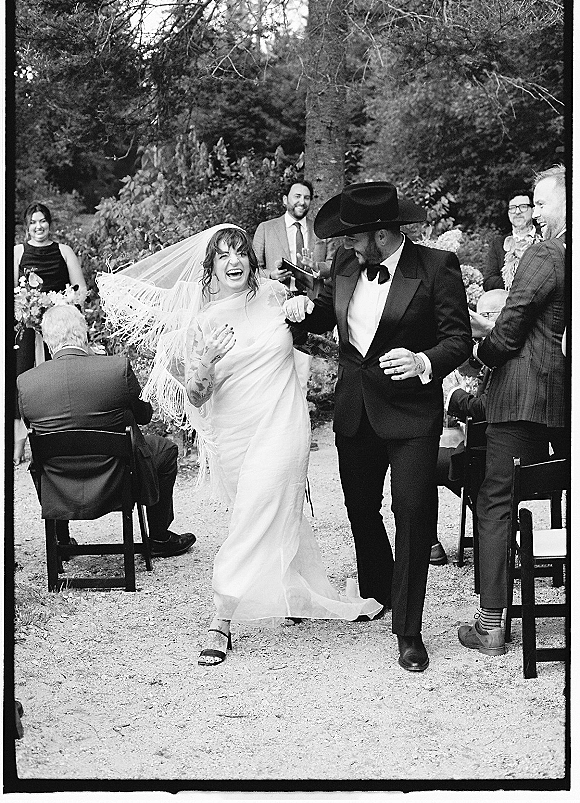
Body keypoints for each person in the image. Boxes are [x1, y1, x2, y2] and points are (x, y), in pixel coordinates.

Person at [97, 224, 381, 668]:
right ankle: (293, 591)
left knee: (256, 510)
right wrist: (205, 364)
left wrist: (304, 308)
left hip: (283, 424)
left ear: (251, 259)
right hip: (234, 435)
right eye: (224, 256)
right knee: (272, 508)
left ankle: (221, 615)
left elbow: (322, 332)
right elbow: (196, 396)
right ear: (210, 267)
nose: (234, 262)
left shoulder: (274, 296)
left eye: (241, 253)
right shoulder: (202, 322)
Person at [284, 182, 473, 672]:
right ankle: (378, 587)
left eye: (353, 236)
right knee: (360, 508)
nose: (346, 244)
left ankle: (408, 630)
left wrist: (423, 360)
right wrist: (301, 311)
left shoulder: (436, 267)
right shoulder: (346, 265)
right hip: (355, 410)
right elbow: (328, 314)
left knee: (411, 510)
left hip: (412, 413)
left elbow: (458, 339)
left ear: (382, 234)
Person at [459, 165, 568, 657]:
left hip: (524, 395)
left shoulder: (547, 252)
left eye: (543, 204)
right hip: (562, 396)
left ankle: (491, 624)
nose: (537, 214)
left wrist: (481, 348)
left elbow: (513, 328)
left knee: (496, 499)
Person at [16, 305, 196, 558]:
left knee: (47, 450)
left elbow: (34, 430)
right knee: (165, 449)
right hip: (118, 480)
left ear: (47, 341)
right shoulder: (115, 369)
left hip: (60, 486)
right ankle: (158, 536)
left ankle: (62, 541)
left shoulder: (27, 382)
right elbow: (145, 416)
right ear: (84, 334)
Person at [13, 202, 88, 465]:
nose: (38, 226)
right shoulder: (18, 252)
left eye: (42, 221)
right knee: (21, 380)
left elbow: (81, 291)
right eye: (33, 222)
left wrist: (61, 303)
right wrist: (26, 309)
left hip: (58, 328)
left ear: (50, 223)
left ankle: (57, 438)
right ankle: (19, 440)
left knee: (61, 381)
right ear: (26, 226)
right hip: (27, 327)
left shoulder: (64, 251)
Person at [436, 289, 508, 500]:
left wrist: (452, 394)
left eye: (484, 316)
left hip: (493, 454)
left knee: (420, 461)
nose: (477, 323)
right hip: (485, 449)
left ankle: (486, 516)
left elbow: (484, 408)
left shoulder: (507, 354)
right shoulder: (489, 351)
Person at [252, 178, 334, 297]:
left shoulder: (322, 230)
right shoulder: (266, 229)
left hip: (315, 301)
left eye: (306, 198)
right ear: (285, 200)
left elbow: (333, 266)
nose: (302, 202)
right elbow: (253, 269)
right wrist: (271, 275)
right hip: (277, 301)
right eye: (297, 196)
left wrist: (317, 267)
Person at [483, 189, 543, 291]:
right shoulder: (498, 244)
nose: (517, 212)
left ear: (533, 210)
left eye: (523, 207)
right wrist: (517, 281)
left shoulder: (545, 238)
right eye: (512, 208)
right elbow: (489, 281)